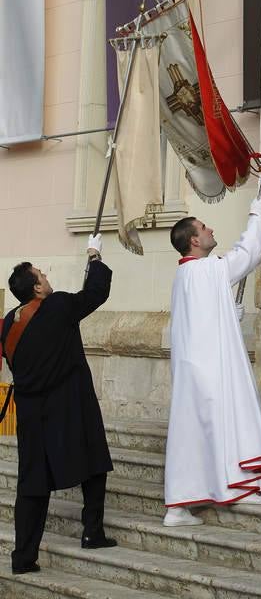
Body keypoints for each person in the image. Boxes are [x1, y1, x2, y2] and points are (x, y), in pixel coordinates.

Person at [0, 234, 116, 575]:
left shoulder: (9, 321)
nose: (46, 276)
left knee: (32, 485)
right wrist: (94, 257)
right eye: (42, 274)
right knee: (94, 461)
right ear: (36, 288)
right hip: (70, 405)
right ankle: (92, 532)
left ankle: (23, 558)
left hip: (32, 414)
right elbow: (96, 294)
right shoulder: (60, 306)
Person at [163, 195, 261, 526]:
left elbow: (201, 316)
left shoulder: (187, 275)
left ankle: (178, 507)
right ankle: (236, 488)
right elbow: (245, 257)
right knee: (226, 423)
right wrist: (256, 216)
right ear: (194, 240)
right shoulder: (204, 270)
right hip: (210, 367)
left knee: (190, 436)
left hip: (193, 367)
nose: (210, 229)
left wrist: (229, 312)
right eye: (203, 226)